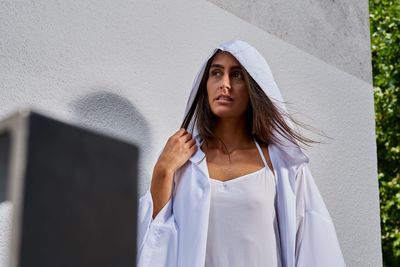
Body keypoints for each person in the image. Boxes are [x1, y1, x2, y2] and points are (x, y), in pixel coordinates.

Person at [137, 40, 346, 267]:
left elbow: (314, 244)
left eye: (236, 76)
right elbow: (155, 243)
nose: (224, 84)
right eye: (216, 73)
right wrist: (163, 169)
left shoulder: (283, 165)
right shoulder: (184, 163)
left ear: (253, 87)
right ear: (205, 84)